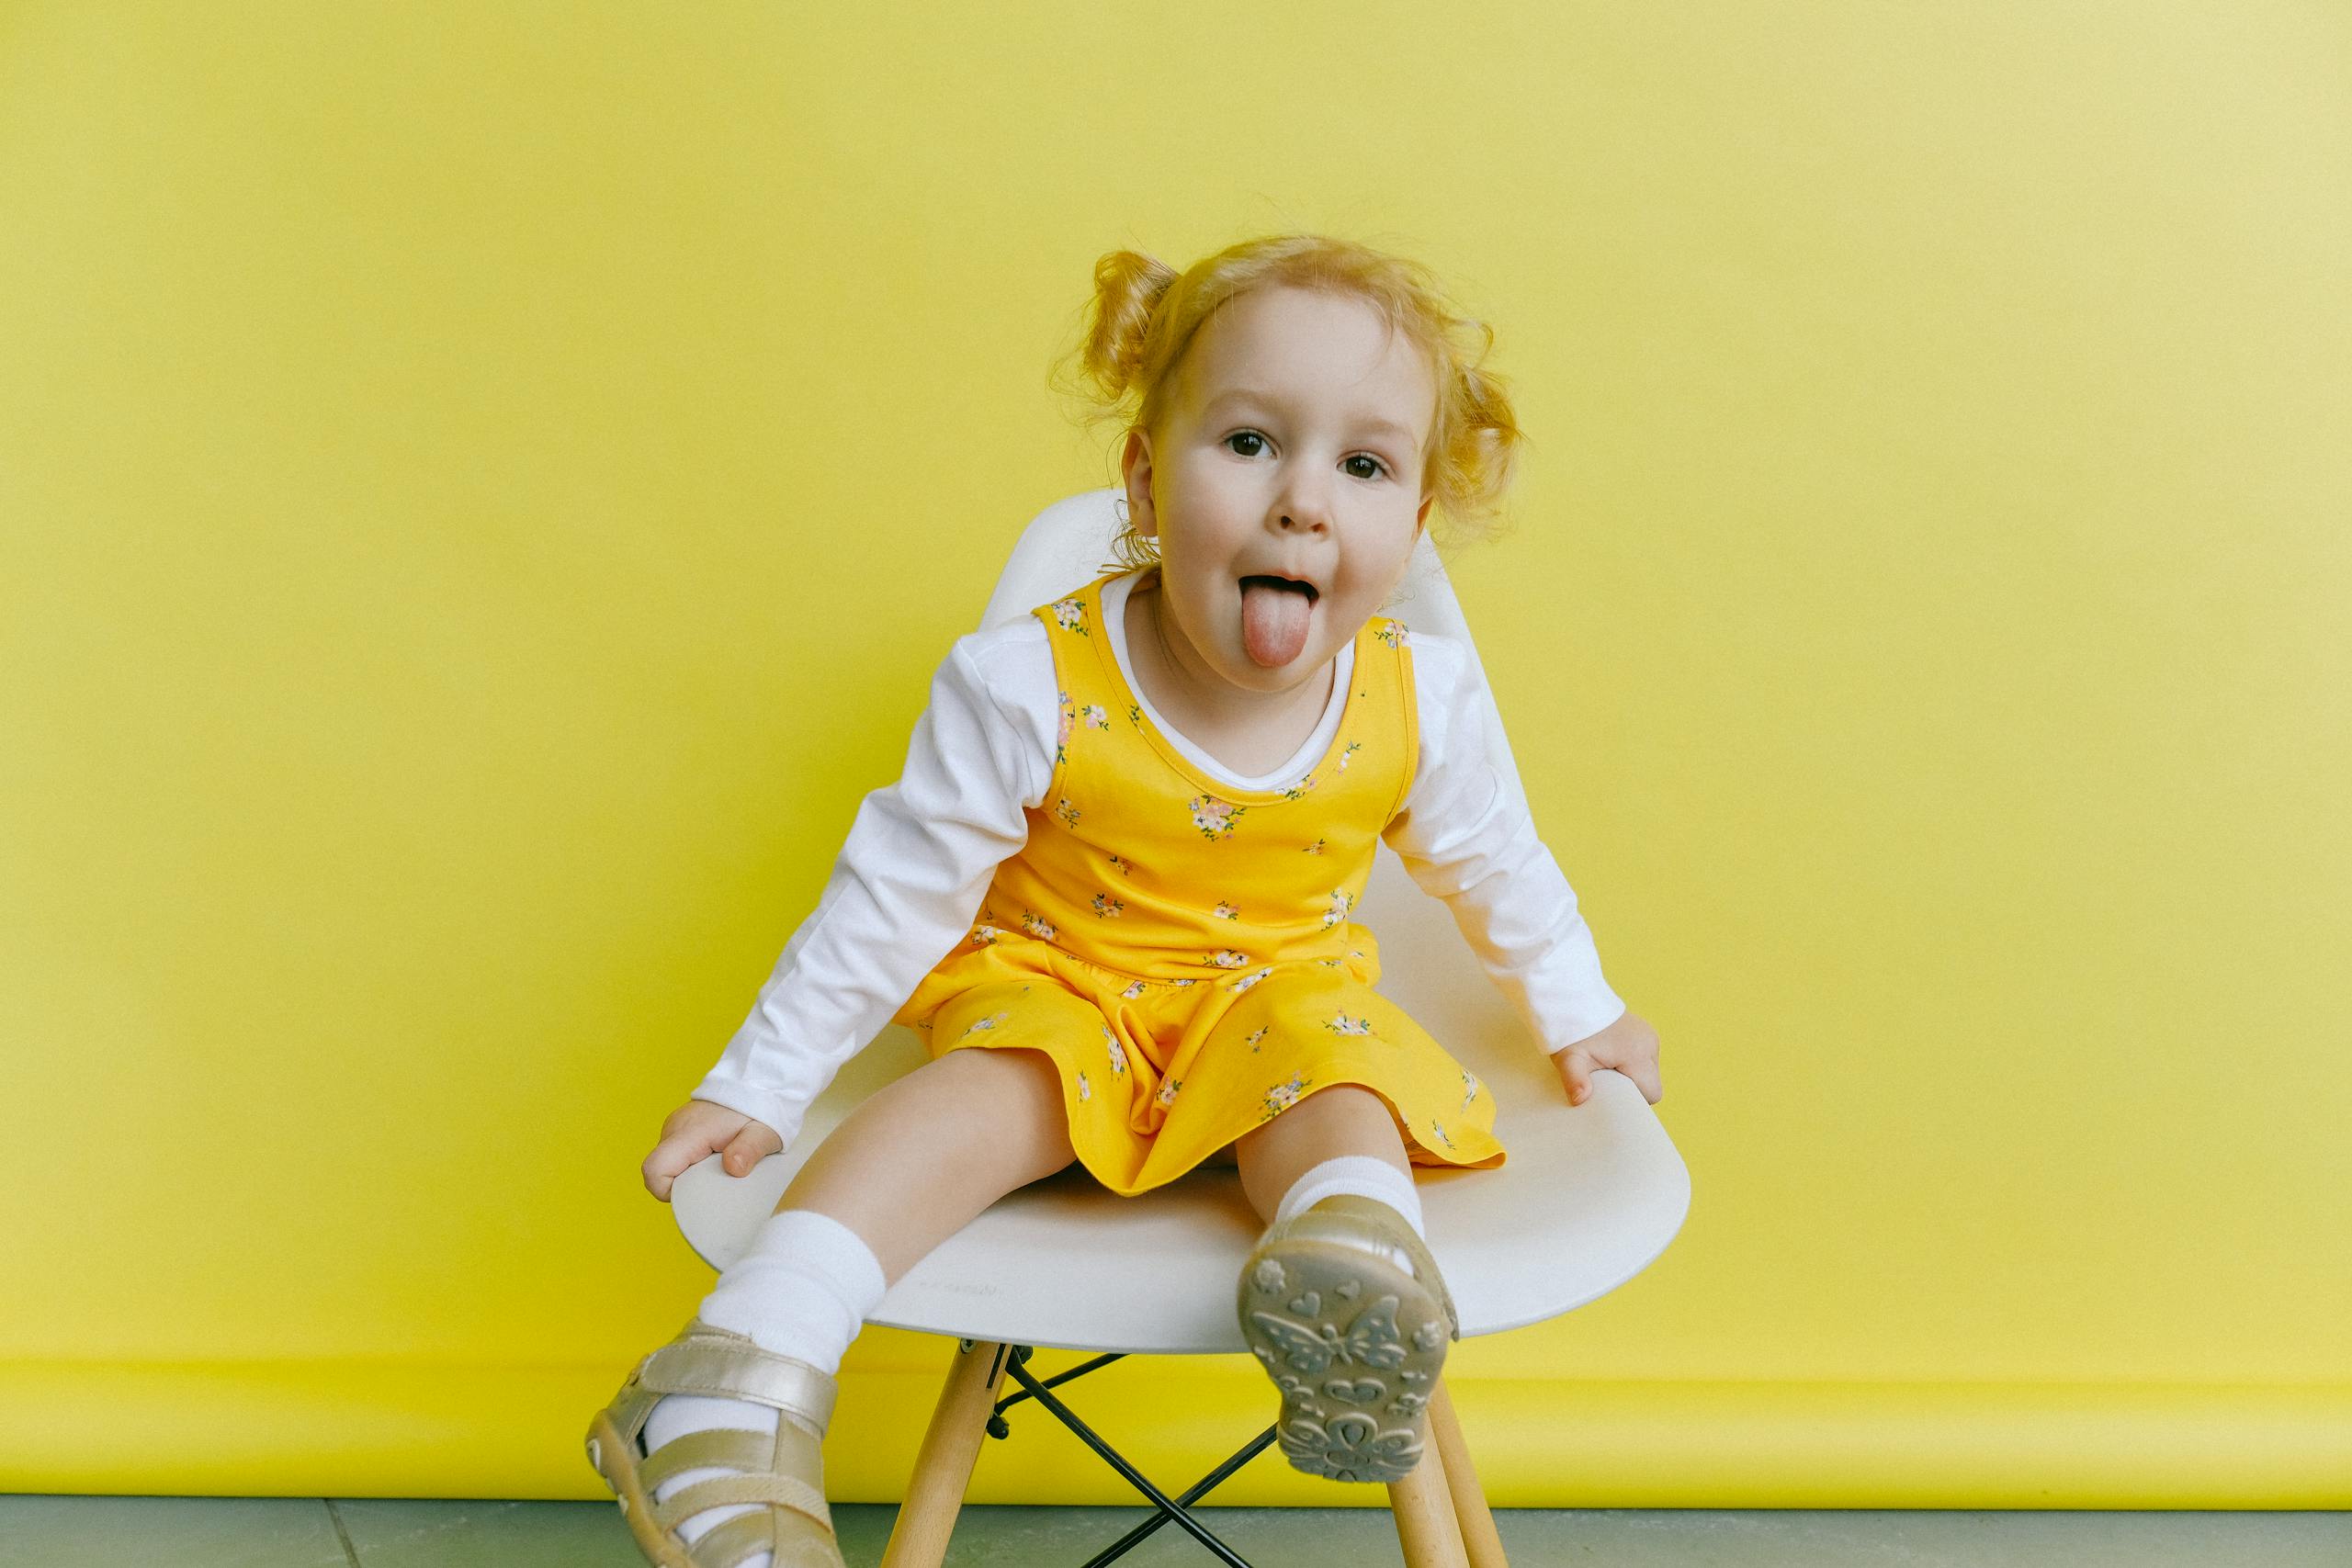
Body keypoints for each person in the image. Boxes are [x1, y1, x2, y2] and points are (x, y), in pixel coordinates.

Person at [584, 231, 1667, 1568]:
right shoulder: (1031, 681)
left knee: (1343, 1080)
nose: (1305, 505)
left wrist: (1580, 1008)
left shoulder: (1417, 695)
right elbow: (894, 891)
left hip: (1275, 1011)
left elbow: (1500, 863)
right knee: (978, 1098)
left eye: (1366, 466)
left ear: (1417, 529)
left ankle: (1352, 1275)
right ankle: (746, 1364)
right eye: (1253, 444)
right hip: (1064, 994)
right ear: (1145, 483)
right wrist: (759, 1082)